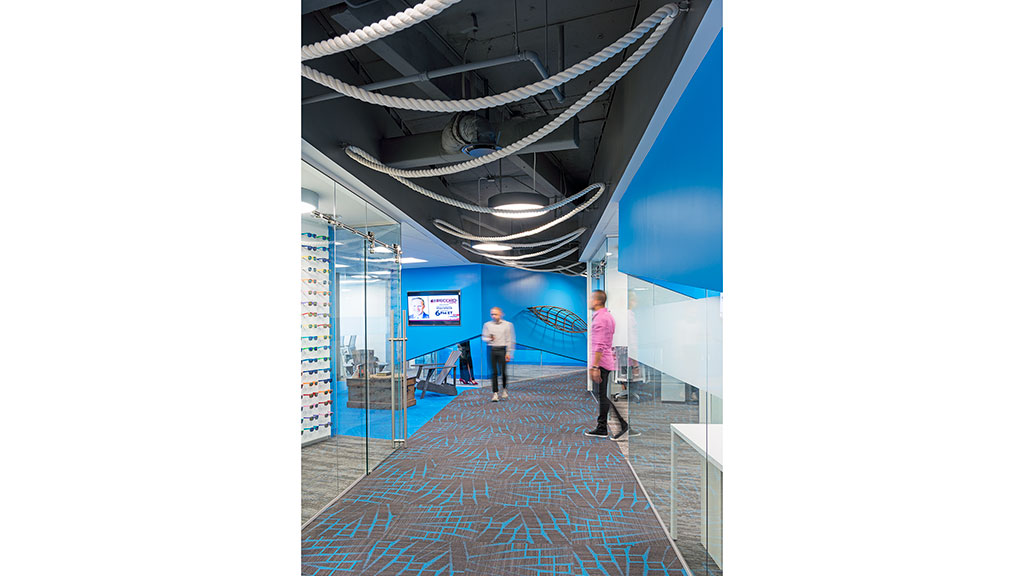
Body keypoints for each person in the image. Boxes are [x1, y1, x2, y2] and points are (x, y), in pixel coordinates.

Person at [585, 289, 629, 441]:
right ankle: (604, 426)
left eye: (591, 298)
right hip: (606, 360)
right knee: (603, 396)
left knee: (603, 396)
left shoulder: (600, 319)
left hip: (601, 362)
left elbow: (600, 345)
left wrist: (595, 366)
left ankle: (609, 426)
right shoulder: (608, 316)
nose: (589, 301)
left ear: (597, 301)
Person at [482, 307, 515, 402]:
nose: (493, 316)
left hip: (503, 350)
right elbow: (484, 337)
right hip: (492, 349)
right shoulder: (487, 325)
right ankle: (495, 393)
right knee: (494, 372)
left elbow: (509, 339)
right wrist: (489, 339)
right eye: (492, 314)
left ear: (501, 314)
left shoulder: (507, 325)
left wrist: (509, 353)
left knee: (503, 372)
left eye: (495, 314)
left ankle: (504, 389)